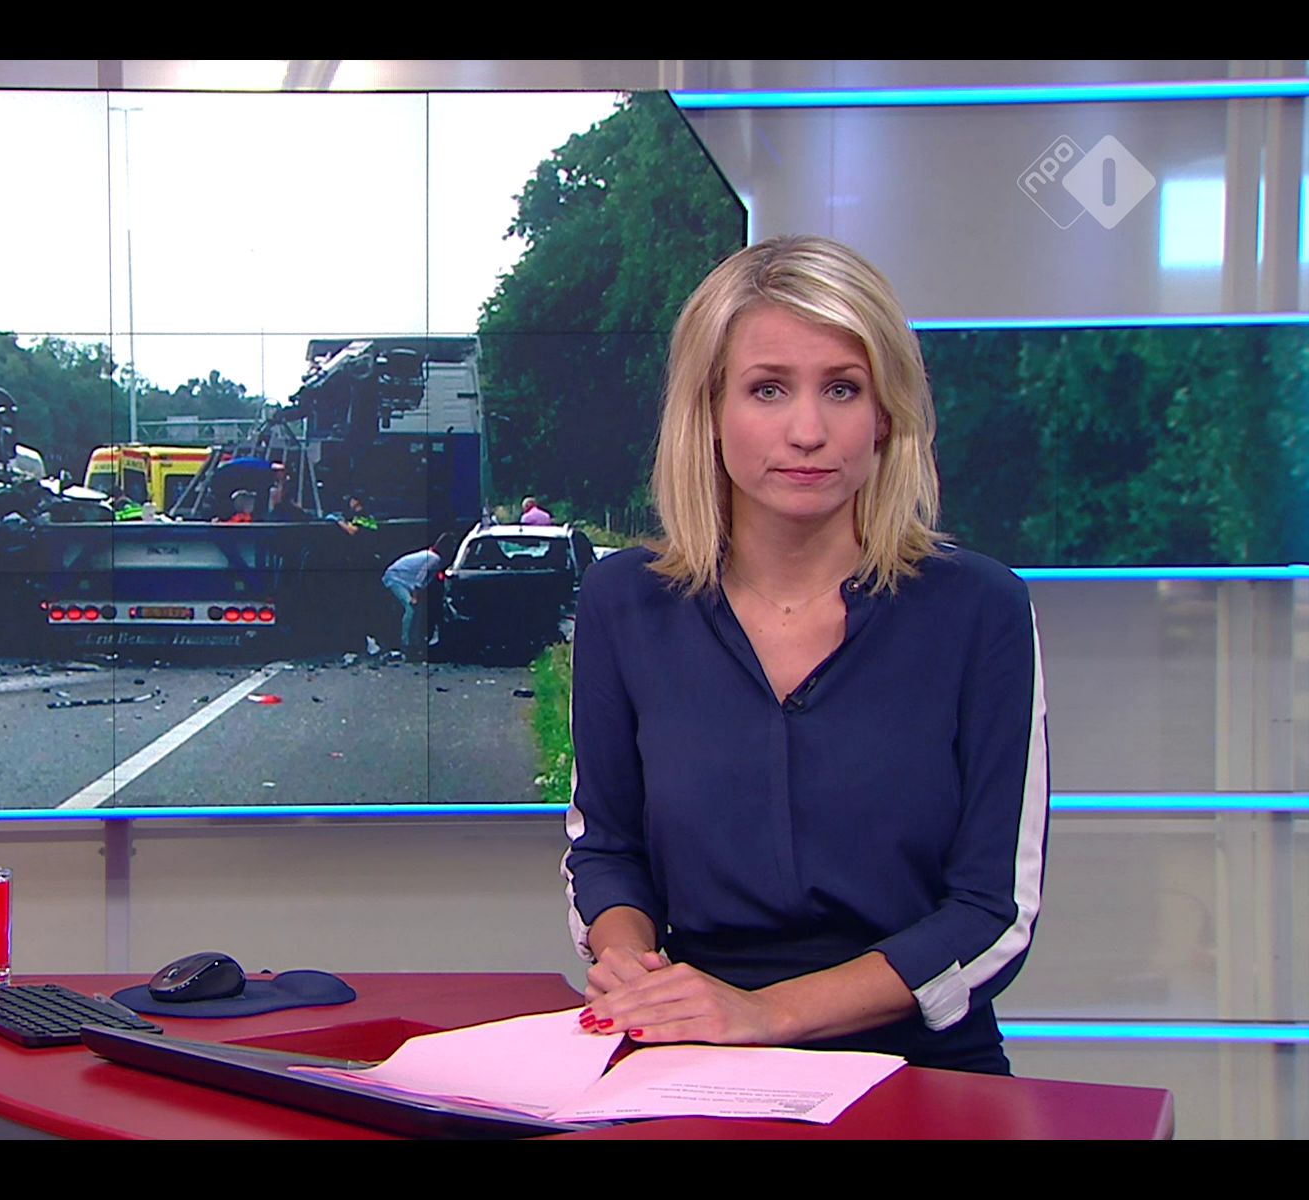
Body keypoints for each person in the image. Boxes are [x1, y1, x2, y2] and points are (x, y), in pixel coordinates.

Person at [565, 235, 1048, 1075]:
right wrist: (631, 965)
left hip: (919, 1072)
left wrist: (766, 1014)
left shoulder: (979, 609)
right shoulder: (624, 602)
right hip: (690, 1059)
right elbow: (607, 849)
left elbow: (991, 912)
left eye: (842, 389)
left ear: (886, 413)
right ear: (709, 411)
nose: (808, 431)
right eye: (768, 389)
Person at [381, 533, 457, 660]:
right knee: (411, 608)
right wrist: (415, 596)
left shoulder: (431, 556)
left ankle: (414, 641)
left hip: (401, 579)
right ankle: (406, 643)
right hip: (395, 578)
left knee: (418, 611)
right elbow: (421, 578)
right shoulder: (434, 559)